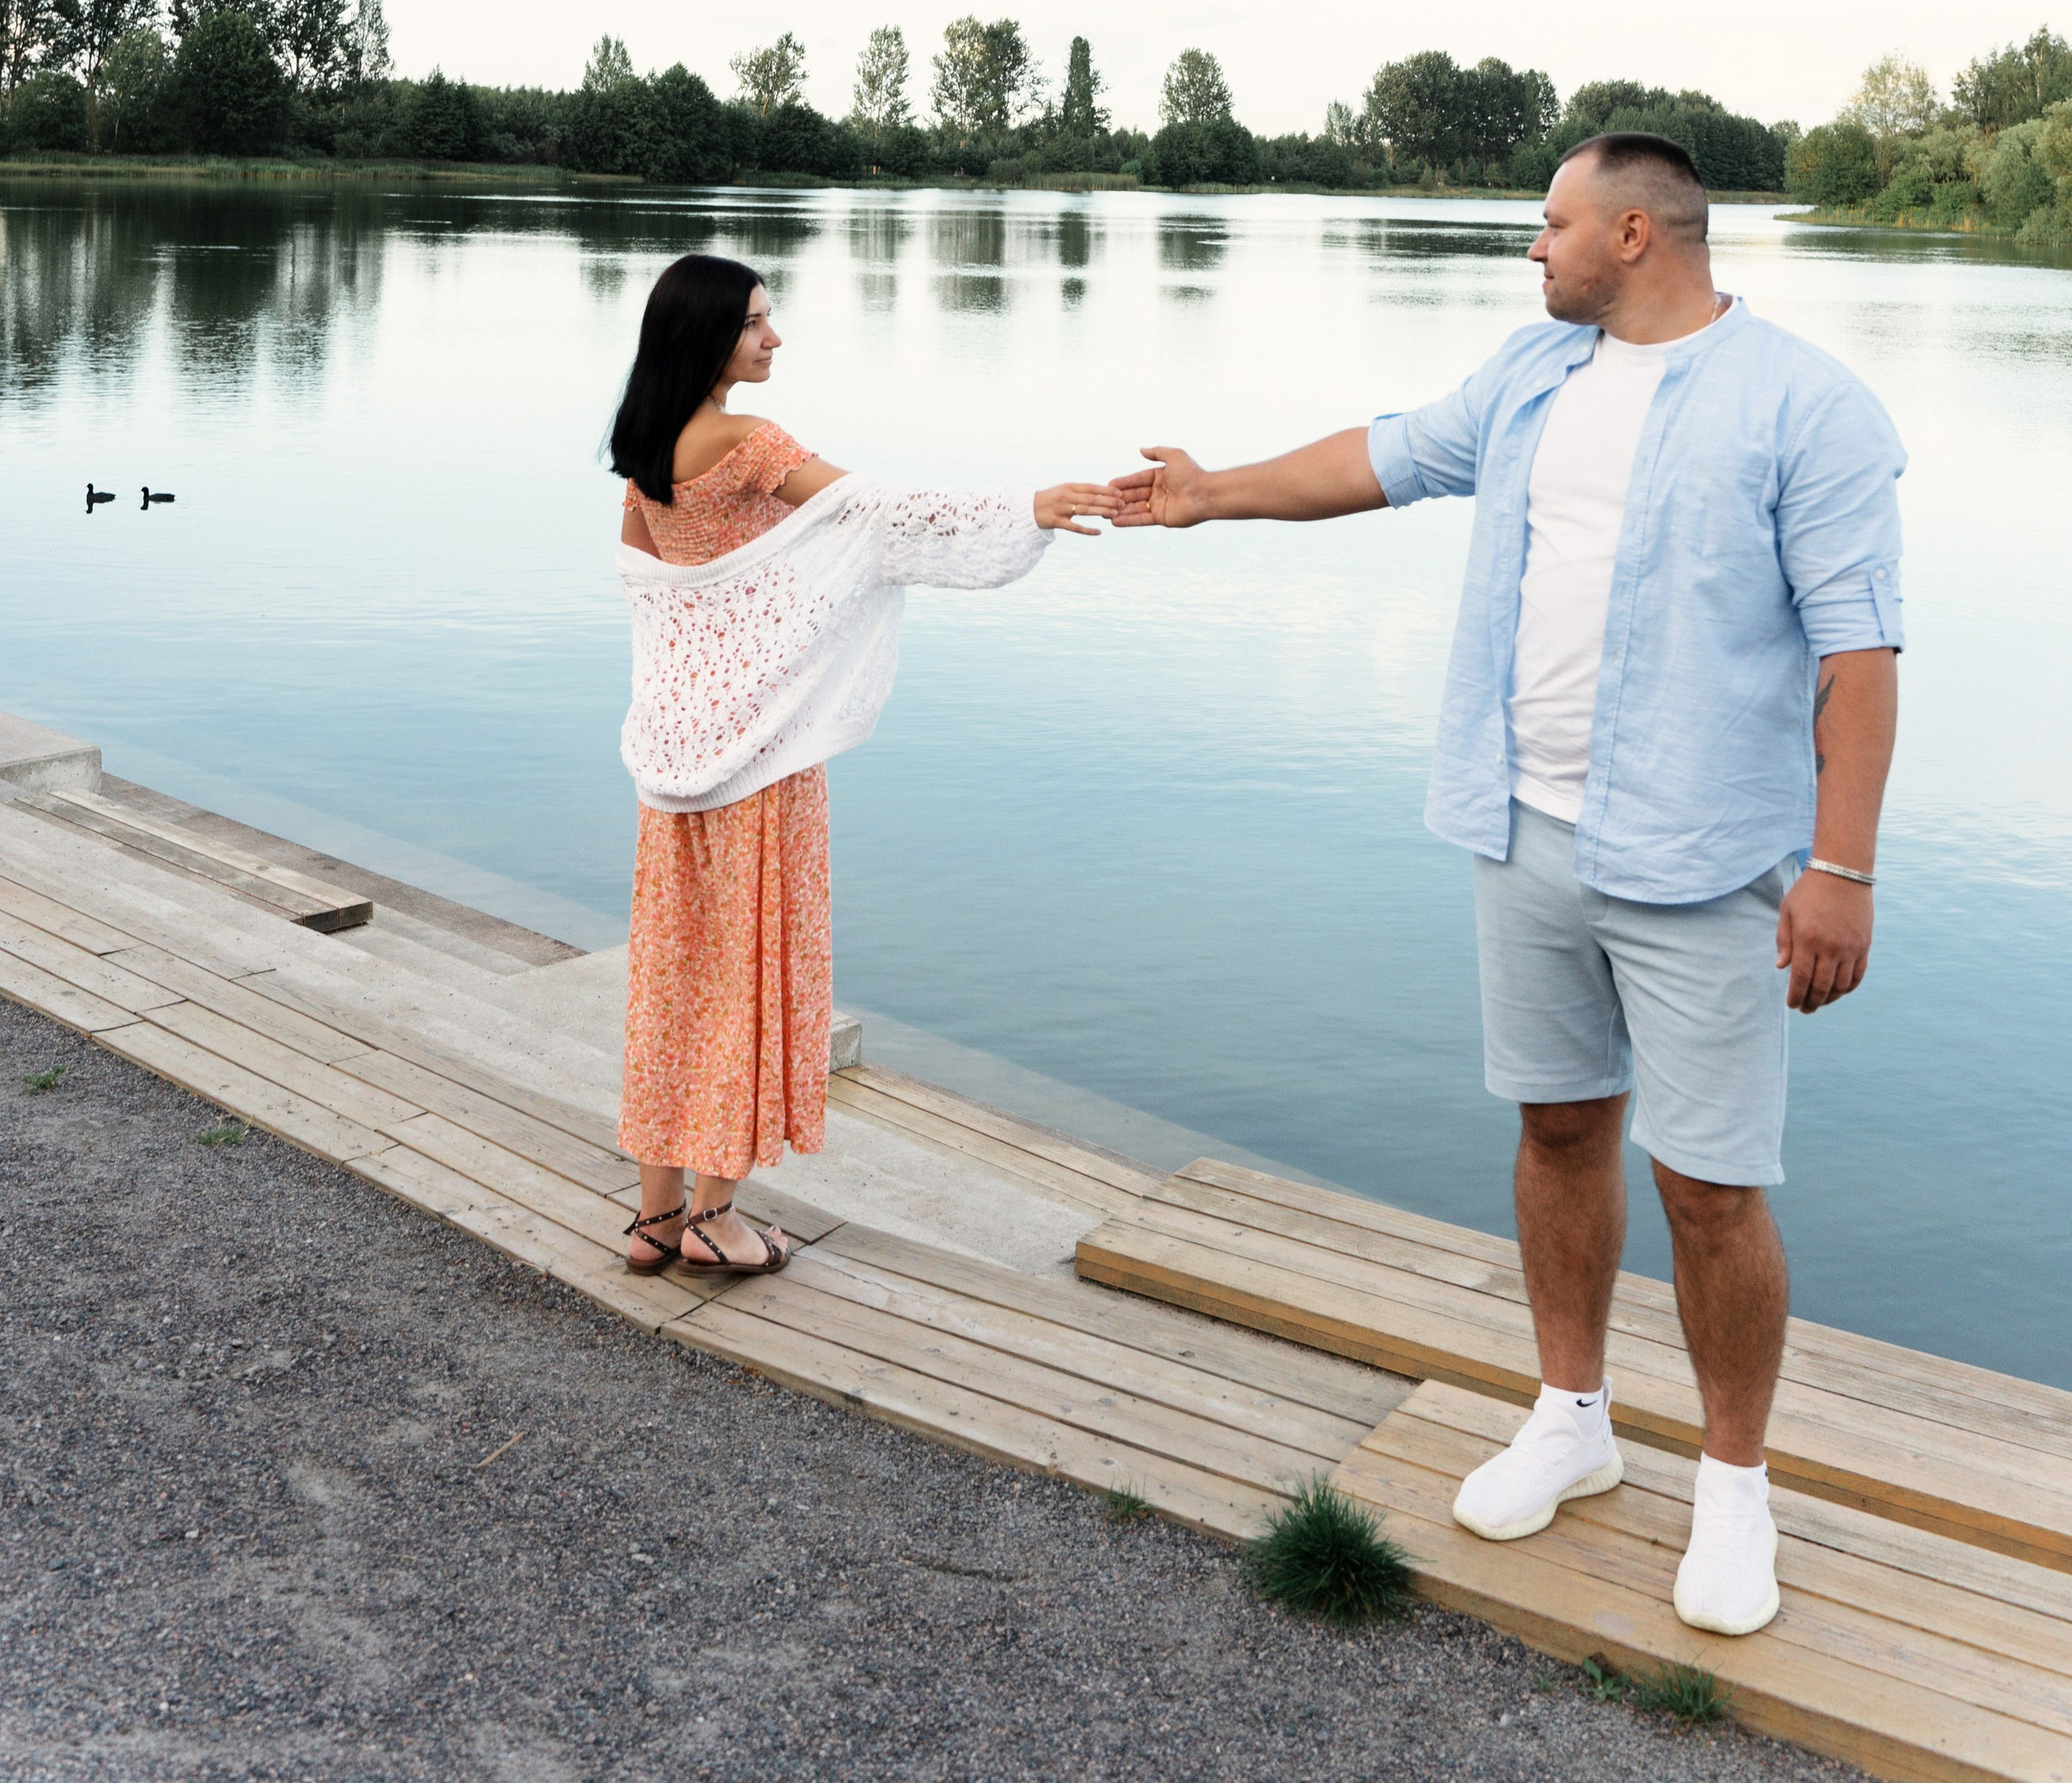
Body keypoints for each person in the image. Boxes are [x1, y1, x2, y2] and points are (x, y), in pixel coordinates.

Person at [1110, 132, 1903, 1638]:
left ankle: (1735, 1490)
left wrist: (1843, 868)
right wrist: (1212, 496)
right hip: (1524, 825)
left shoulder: (1807, 408)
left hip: (1701, 857)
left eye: (1547, 224)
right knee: (1556, 1129)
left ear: (1631, 233)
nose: (1527, 248)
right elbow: (1385, 457)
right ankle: (1574, 1418)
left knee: (1713, 1189)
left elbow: (1861, 657)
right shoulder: (1535, 380)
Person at [609, 252, 1117, 1279]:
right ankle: (716, 1218)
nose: (774, 337)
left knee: (672, 981)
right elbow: (877, 515)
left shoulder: (645, 448)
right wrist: (1027, 507)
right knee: (747, 978)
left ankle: (653, 1220)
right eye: (756, 322)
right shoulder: (751, 442)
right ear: (708, 334)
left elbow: (658, 592)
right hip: (759, 762)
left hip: (674, 767)